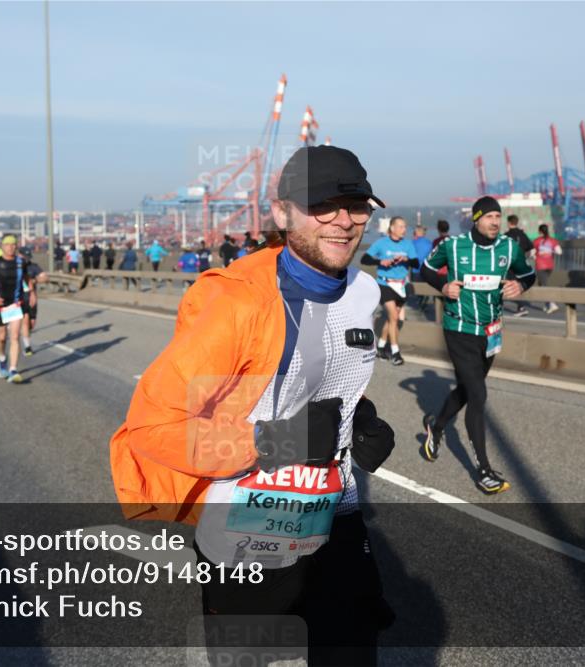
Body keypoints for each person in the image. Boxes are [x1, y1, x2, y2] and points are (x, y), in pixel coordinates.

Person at [111, 145, 396, 666]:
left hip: (337, 517)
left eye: (357, 206)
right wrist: (280, 440)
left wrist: (358, 419)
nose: (343, 221)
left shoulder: (364, 292)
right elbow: (156, 428)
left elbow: (312, 376)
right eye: (322, 206)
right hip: (248, 529)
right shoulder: (236, 303)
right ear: (283, 212)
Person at [419, 195, 536, 494]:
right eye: (489, 217)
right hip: (458, 327)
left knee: (468, 389)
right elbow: (426, 269)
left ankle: (436, 424)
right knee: (479, 395)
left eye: (498, 217)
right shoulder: (453, 246)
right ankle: (483, 470)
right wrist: (443, 286)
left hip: (491, 331)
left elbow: (528, 272)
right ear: (476, 219)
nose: (495, 222)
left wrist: (519, 285)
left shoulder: (509, 248)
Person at [361, 216, 418, 365]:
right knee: (393, 316)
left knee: (391, 318)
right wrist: (381, 261)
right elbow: (364, 259)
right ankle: (395, 352)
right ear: (392, 228)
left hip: (401, 285)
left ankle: (380, 348)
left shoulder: (408, 244)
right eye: (400, 226)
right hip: (384, 284)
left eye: (405, 227)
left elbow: (416, 263)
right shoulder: (381, 243)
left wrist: (406, 260)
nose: (404, 229)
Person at [0, 235, 31, 383]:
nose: (11, 247)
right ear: (2, 246)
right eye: (8, 245)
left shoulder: (21, 262)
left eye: (14, 244)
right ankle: (2, 359)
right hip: (0, 304)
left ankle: (13, 370)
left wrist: (31, 292)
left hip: (16, 303)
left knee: (14, 337)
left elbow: (27, 279)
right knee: (2, 338)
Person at [503, 214, 534, 316]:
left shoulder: (506, 235)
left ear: (508, 223)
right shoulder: (522, 234)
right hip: (521, 263)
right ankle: (521, 307)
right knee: (518, 284)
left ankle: (521, 307)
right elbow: (531, 248)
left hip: (510, 265)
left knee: (509, 284)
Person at [532, 224, 562, 313]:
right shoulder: (553, 241)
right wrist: (550, 251)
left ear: (539, 231)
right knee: (542, 284)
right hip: (550, 265)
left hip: (540, 266)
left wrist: (534, 256)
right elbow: (559, 252)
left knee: (544, 285)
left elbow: (532, 253)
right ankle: (547, 304)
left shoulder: (536, 241)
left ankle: (552, 304)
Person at [20, 247, 44, 356]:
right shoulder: (14, 266)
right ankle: (27, 347)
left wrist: (35, 280)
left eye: (28, 257)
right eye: (24, 256)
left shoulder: (33, 267)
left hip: (31, 297)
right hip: (20, 298)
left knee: (31, 323)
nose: (26, 259)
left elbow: (44, 277)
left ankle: (26, 336)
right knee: (25, 320)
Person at [411, 225, 433, 309]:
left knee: (417, 287)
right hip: (426, 269)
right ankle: (424, 298)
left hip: (416, 269)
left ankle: (420, 301)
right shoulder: (429, 242)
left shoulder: (413, 243)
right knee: (425, 286)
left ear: (416, 233)